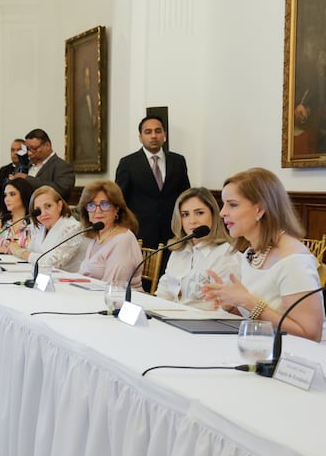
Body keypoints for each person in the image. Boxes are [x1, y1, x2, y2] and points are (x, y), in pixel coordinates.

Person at [202, 168, 323, 340]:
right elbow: (254, 319)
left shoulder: (293, 260)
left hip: (293, 353)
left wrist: (249, 302)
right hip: (259, 345)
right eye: (223, 204)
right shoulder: (252, 253)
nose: (222, 213)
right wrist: (231, 305)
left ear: (260, 210)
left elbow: (310, 334)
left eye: (232, 204)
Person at [114, 116, 190, 248]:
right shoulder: (128, 163)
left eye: (158, 131)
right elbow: (119, 200)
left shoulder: (178, 161)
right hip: (140, 233)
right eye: (148, 132)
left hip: (173, 232)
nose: (154, 136)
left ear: (164, 134)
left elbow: (185, 195)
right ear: (140, 137)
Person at [155, 187, 238, 308]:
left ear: (214, 215)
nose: (192, 221)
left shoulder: (225, 254)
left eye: (199, 213)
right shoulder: (179, 250)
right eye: (185, 215)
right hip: (170, 315)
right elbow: (164, 291)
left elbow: (226, 306)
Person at [75, 180, 143, 289]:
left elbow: (113, 287)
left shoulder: (123, 240)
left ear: (116, 209)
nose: (98, 210)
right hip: (92, 294)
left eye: (104, 204)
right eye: (91, 205)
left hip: (118, 297)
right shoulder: (97, 237)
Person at [17, 185, 86, 269]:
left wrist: (20, 252)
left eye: (48, 206)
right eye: (38, 210)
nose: (43, 213)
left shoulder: (73, 228)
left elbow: (53, 262)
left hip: (66, 276)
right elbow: (29, 250)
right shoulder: (40, 228)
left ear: (59, 205)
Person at [16, 128, 75, 200]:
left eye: (34, 148)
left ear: (47, 146)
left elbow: (61, 190)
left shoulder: (63, 166)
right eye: (27, 149)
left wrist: (27, 179)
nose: (29, 153)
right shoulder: (24, 165)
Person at [0, 138, 28, 211]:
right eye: (12, 150)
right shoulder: (4, 170)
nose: (15, 153)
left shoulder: (29, 169)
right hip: (4, 210)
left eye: (19, 150)